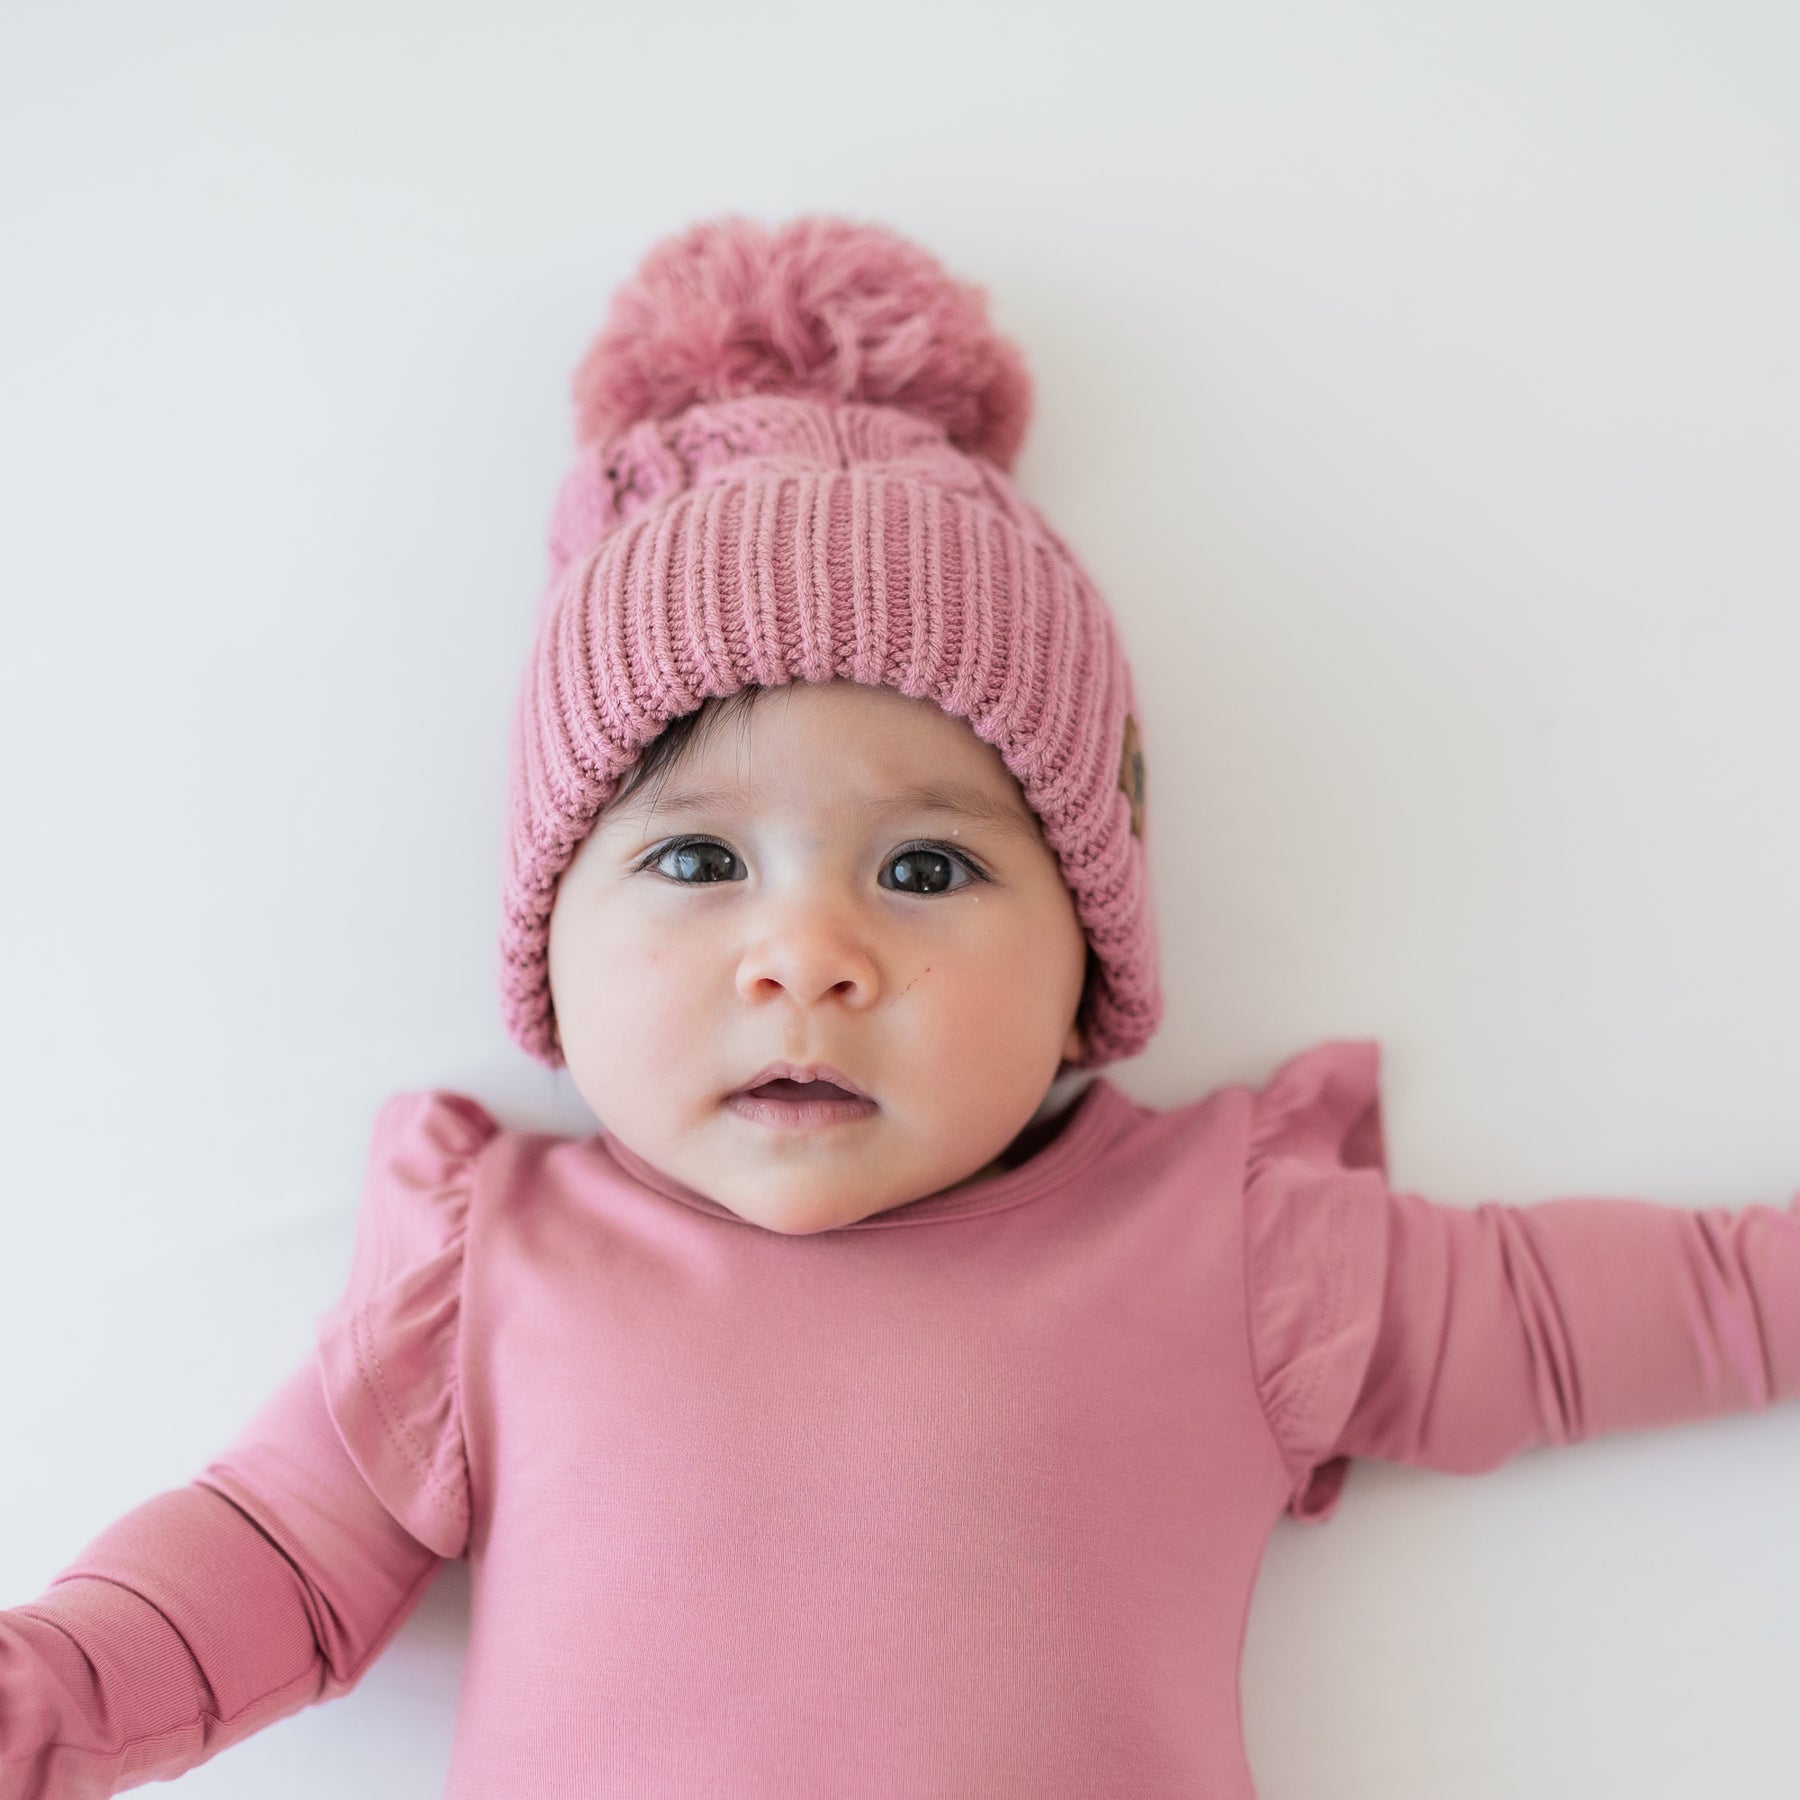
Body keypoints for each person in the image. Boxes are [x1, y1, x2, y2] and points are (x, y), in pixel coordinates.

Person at [3, 213, 1797, 1800]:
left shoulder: (1235, 1254)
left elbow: (1682, 1308)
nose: (807, 956)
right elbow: (270, 1562)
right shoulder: (485, 1276)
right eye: (700, 866)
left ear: (1095, 952)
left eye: (927, 871)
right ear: (547, 930)